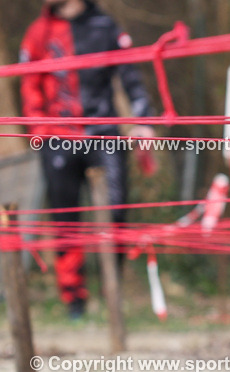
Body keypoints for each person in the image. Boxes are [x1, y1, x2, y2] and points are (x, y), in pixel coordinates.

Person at [20, 0, 156, 318]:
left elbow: (131, 76)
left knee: (117, 212)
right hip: (57, 139)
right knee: (65, 220)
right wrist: (40, 132)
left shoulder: (105, 27)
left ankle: (113, 290)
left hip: (104, 133)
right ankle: (74, 301)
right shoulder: (37, 33)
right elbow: (30, 89)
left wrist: (143, 122)